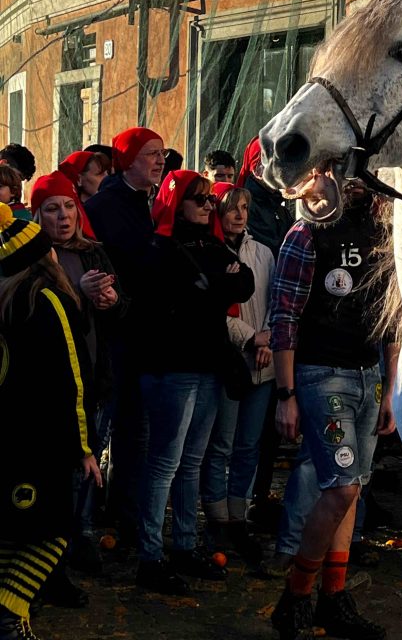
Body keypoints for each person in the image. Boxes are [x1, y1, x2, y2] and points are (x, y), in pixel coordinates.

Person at [269, 180, 398, 640]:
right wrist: (285, 395)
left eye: (361, 171)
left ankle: (334, 598)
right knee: (341, 489)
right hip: (322, 376)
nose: (354, 180)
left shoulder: (382, 234)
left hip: (368, 375)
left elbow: (390, 316)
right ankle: (296, 595)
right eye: (340, 171)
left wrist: (390, 391)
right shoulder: (304, 236)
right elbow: (283, 318)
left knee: (355, 490)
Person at [134, 171, 254, 595]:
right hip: (174, 366)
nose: (208, 205)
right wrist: (218, 282)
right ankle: (150, 555)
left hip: (207, 365)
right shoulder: (161, 248)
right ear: (176, 202)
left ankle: (184, 545)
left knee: (192, 461)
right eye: (199, 198)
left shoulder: (211, 244)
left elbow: (245, 284)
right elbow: (195, 294)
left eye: (208, 199)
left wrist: (215, 284)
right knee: (165, 462)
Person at [0, 202, 101, 640]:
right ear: (45, 258)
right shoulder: (48, 301)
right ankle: (10, 612)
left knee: (12, 532)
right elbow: (73, 379)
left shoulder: (7, 301)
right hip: (39, 442)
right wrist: (83, 446)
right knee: (52, 533)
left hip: (9, 439)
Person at [30, 172, 124, 579]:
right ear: (36, 215)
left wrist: (112, 300)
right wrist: (76, 292)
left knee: (88, 467)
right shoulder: (29, 257)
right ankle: (51, 552)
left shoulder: (94, 253)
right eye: (52, 209)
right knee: (58, 469)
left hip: (95, 378)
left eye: (69, 206)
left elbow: (123, 315)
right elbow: (34, 317)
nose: (63, 216)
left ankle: (80, 535)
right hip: (52, 385)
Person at [85, 127, 165, 541]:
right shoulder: (109, 204)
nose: (159, 160)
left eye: (162, 153)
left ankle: (124, 513)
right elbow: (130, 261)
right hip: (113, 334)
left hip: (141, 336)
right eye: (151, 153)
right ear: (128, 159)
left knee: (136, 431)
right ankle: (82, 522)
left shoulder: (145, 201)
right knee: (102, 429)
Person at [200, 183, 275, 564]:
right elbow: (218, 311)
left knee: (249, 445)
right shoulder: (209, 252)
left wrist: (265, 342)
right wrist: (250, 338)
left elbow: (276, 302)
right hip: (228, 360)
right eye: (232, 208)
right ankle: (216, 519)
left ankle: (238, 515)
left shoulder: (262, 253)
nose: (240, 215)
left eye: (244, 207)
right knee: (221, 444)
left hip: (262, 362)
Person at [236, 138, 294, 260]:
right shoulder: (245, 207)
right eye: (274, 163)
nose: (281, 170)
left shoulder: (279, 208)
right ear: (257, 169)